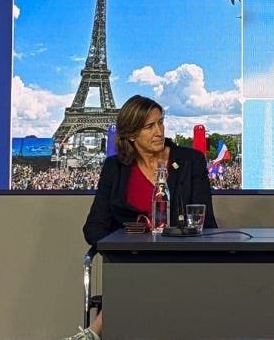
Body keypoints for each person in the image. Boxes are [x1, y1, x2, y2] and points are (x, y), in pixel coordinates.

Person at [67, 95, 217, 340]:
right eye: (149, 126)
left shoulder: (190, 161)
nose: (159, 131)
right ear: (130, 134)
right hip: (131, 260)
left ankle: (93, 332)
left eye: (161, 122)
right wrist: (125, 243)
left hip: (182, 258)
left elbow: (206, 222)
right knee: (134, 269)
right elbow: (94, 227)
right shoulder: (115, 168)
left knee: (140, 275)